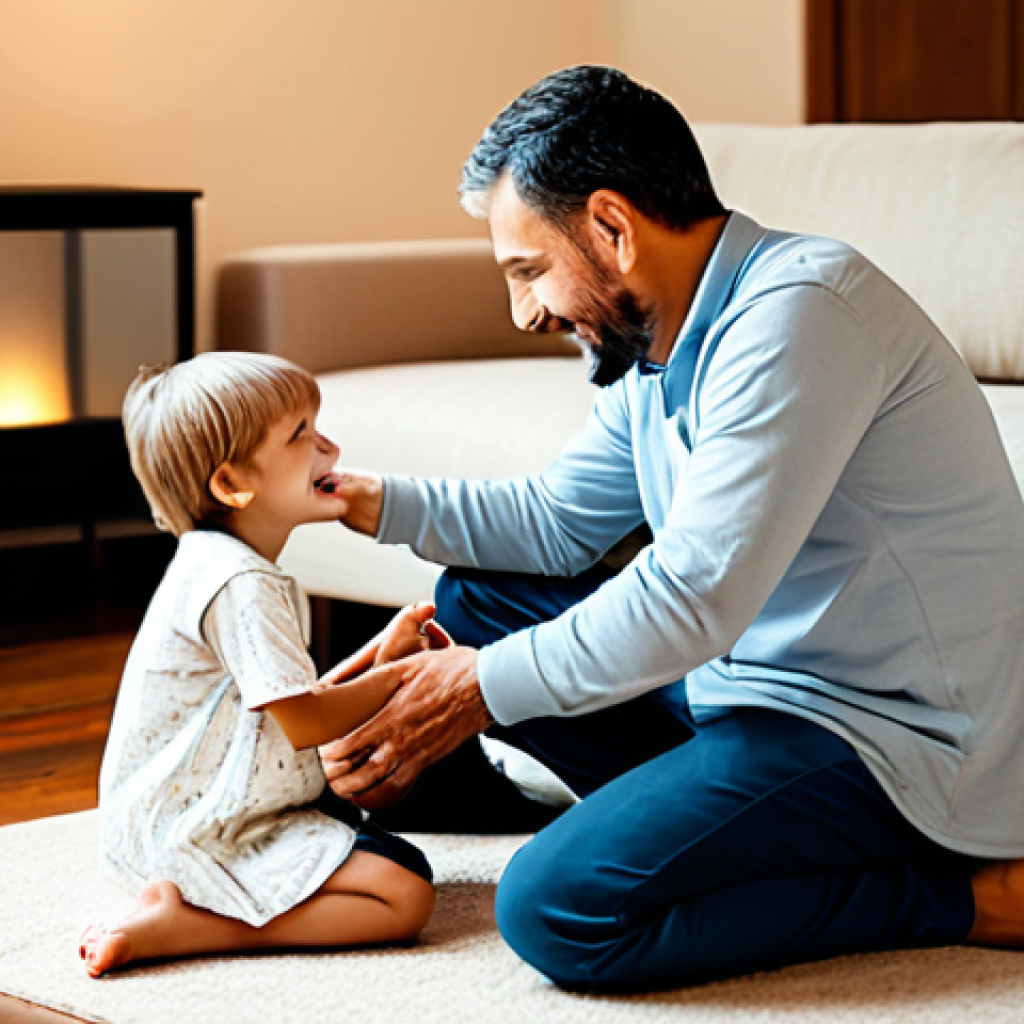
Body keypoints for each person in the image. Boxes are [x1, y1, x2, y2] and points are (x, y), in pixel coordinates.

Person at [318, 65, 1024, 991]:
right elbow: (558, 523)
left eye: (529, 270)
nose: (524, 311)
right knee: (476, 599)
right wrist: (355, 496)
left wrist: (477, 687)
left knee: (555, 907)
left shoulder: (801, 313)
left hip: (894, 739)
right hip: (751, 689)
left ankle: (963, 897)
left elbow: (696, 596)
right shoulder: (655, 347)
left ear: (613, 228)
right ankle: (611, 820)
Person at [80, 352, 442, 978]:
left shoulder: (213, 561)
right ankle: (184, 927)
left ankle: (189, 905)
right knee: (404, 894)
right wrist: (408, 679)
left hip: (165, 823)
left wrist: (383, 652)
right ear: (230, 485)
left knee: (388, 842)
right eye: (301, 435)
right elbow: (304, 723)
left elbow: (283, 706)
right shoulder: (240, 580)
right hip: (194, 832)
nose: (328, 446)